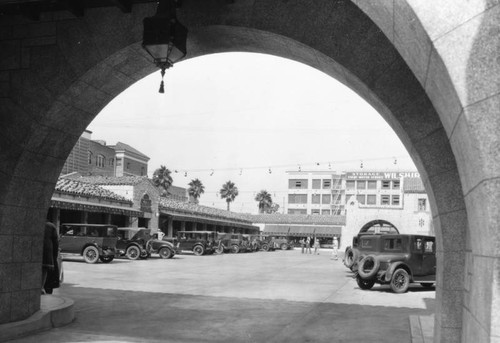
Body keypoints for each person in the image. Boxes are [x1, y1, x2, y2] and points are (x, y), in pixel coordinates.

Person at [42, 222, 59, 294]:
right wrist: (54, 257)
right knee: (45, 270)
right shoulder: (51, 226)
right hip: (47, 254)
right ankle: (42, 287)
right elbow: (56, 244)